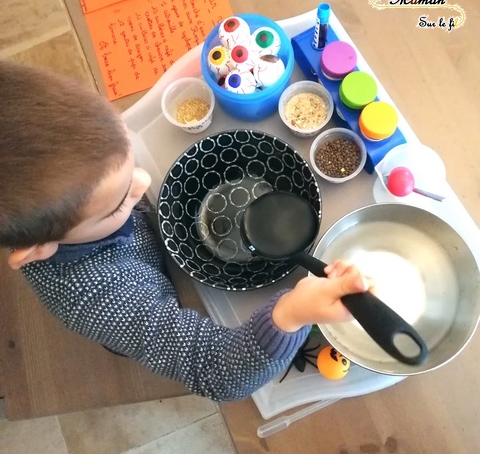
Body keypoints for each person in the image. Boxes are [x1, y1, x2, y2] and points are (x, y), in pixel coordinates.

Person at [0, 60, 374, 401]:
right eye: (117, 204)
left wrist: (118, 203)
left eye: (127, 149)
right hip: (142, 310)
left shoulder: (75, 172)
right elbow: (215, 373)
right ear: (37, 250)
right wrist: (293, 313)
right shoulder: (99, 298)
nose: (144, 182)